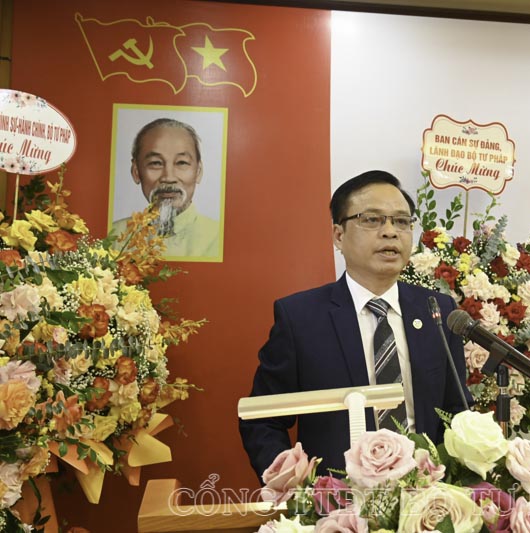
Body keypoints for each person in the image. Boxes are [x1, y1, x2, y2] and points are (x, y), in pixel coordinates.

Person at [239, 170, 471, 478]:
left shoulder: (437, 310)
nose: (390, 232)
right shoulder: (300, 318)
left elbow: (457, 411)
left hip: (425, 492)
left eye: (401, 221)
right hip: (335, 499)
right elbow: (262, 419)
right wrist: (296, 485)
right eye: (372, 219)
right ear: (338, 235)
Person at [111, 118, 220, 258]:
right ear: (136, 172)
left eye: (181, 163)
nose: (168, 178)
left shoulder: (219, 237)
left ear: (198, 171)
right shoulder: (113, 237)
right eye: (156, 163)